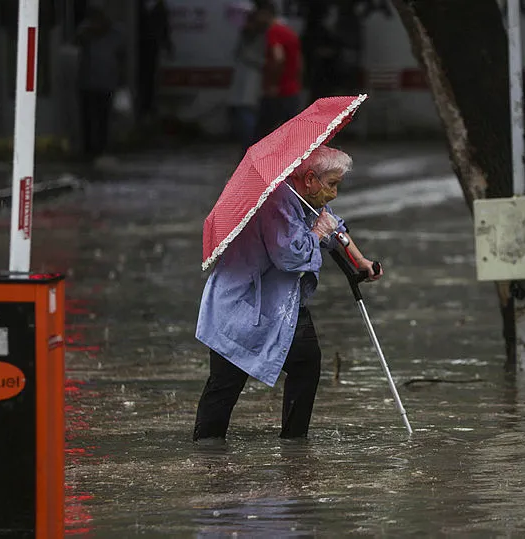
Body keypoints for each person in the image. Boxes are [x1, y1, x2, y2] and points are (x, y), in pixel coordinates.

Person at [193, 145, 383, 442]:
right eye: (332, 184)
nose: (334, 192)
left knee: (306, 362)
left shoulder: (306, 199)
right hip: (242, 305)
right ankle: (208, 455)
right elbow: (289, 256)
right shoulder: (276, 203)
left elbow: (337, 229)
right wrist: (318, 233)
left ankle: (294, 445)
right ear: (310, 178)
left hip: (280, 302)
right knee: (225, 382)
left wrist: (362, 262)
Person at [75, 6, 126, 163]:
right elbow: (76, 40)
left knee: (103, 118)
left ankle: (100, 148)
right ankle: (90, 149)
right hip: (88, 83)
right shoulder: (86, 34)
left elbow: (121, 57)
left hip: (105, 84)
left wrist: (121, 81)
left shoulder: (115, 34)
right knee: (88, 119)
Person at [253, 0, 302, 142]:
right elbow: (299, 61)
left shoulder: (273, 32)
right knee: (290, 136)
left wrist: (273, 84)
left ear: (265, 14)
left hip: (278, 92)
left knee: (260, 134)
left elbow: (278, 57)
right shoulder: (289, 33)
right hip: (292, 91)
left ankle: (251, 163)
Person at [227, 9, 265, 155]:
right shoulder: (247, 36)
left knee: (247, 114)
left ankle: (249, 147)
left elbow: (258, 59)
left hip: (251, 80)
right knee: (244, 113)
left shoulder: (259, 37)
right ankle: (248, 147)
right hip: (246, 80)